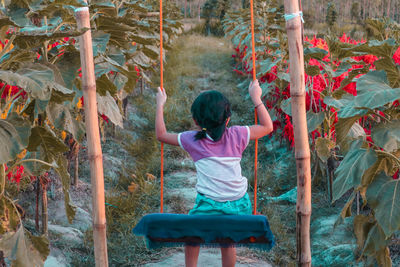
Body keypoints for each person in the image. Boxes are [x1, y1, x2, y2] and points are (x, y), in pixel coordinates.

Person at [155, 79, 273, 267]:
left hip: (209, 203)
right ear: (227, 119)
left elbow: (161, 135)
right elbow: (268, 127)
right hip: (239, 204)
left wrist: (160, 104)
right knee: (227, 242)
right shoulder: (238, 134)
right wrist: (256, 99)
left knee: (192, 235)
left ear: (196, 121)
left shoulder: (192, 140)